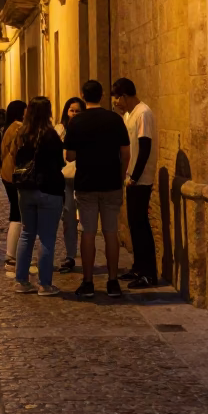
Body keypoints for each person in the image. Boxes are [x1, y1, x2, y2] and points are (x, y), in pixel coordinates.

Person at [64, 79, 130, 300]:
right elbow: (126, 153)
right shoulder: (115, 119)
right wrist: (120, 178)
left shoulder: (76, 123)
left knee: (88, 232)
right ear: (102, 95)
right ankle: (113, 282)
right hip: (111, 183)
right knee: (111, 232)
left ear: (83, 96)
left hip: (87, 183)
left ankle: (88, 282)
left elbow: (69, 156)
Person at [12, 96, 65, 296]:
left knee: (27, 234)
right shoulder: (51, 136)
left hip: (26, 190)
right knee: (46, 238)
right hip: (48, 190)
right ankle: (44, 284)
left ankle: (21, 281)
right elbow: (59, 162)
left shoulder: (22, 134)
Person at [112, 77, 159, 288]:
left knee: (141, 225)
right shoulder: (130, 115)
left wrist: (135, 176)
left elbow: (145, 146)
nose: (115, 102)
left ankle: (149, 273)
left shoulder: (143, 113)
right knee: (134, 225)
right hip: (131, 179)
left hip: (140, 180)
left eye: (116, 97)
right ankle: (139, 267)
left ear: (123, 95)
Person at [55, 97, 85, 273]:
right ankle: (71, 254)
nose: (74, 113)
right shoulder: (59, 130)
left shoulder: (86, 129)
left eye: (77, 110)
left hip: (83, 176)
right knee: (68, 217)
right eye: (71, 110)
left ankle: (86, 252)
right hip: (65, 177)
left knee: (85, 219)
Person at [0, 99, 27, 275]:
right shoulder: (18, 128)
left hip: (7, 174)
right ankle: (12, 257)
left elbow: (2, 153)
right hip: (15, 175)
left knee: (16, 213)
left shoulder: (9, 128)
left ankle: (14, 256)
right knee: (18, 214)